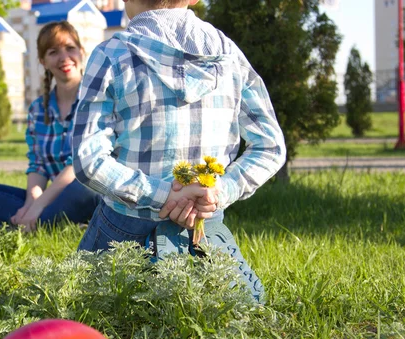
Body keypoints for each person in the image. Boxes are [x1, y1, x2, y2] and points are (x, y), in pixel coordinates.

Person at [71, 0, 286, 302]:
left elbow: (87, 159)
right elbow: (271, 146)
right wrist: (216, 192)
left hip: (121, 235)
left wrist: (164, 195)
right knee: (240, 313)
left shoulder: (110, 56)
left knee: (88, 318)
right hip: (204, 233)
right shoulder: (230, 57)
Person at [0, 21, 101, 232]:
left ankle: (14, 228)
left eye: (70, 48)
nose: (64, 57)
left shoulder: (95, 99)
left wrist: (39, 205)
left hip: (86, 193)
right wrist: (33, 198)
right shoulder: (38, 109)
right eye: (53, 52)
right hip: (54, 199)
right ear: (43, 61)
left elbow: (80, 165)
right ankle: (50, 224)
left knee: (86, 188)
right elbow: (38, 164)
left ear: (81, 52)